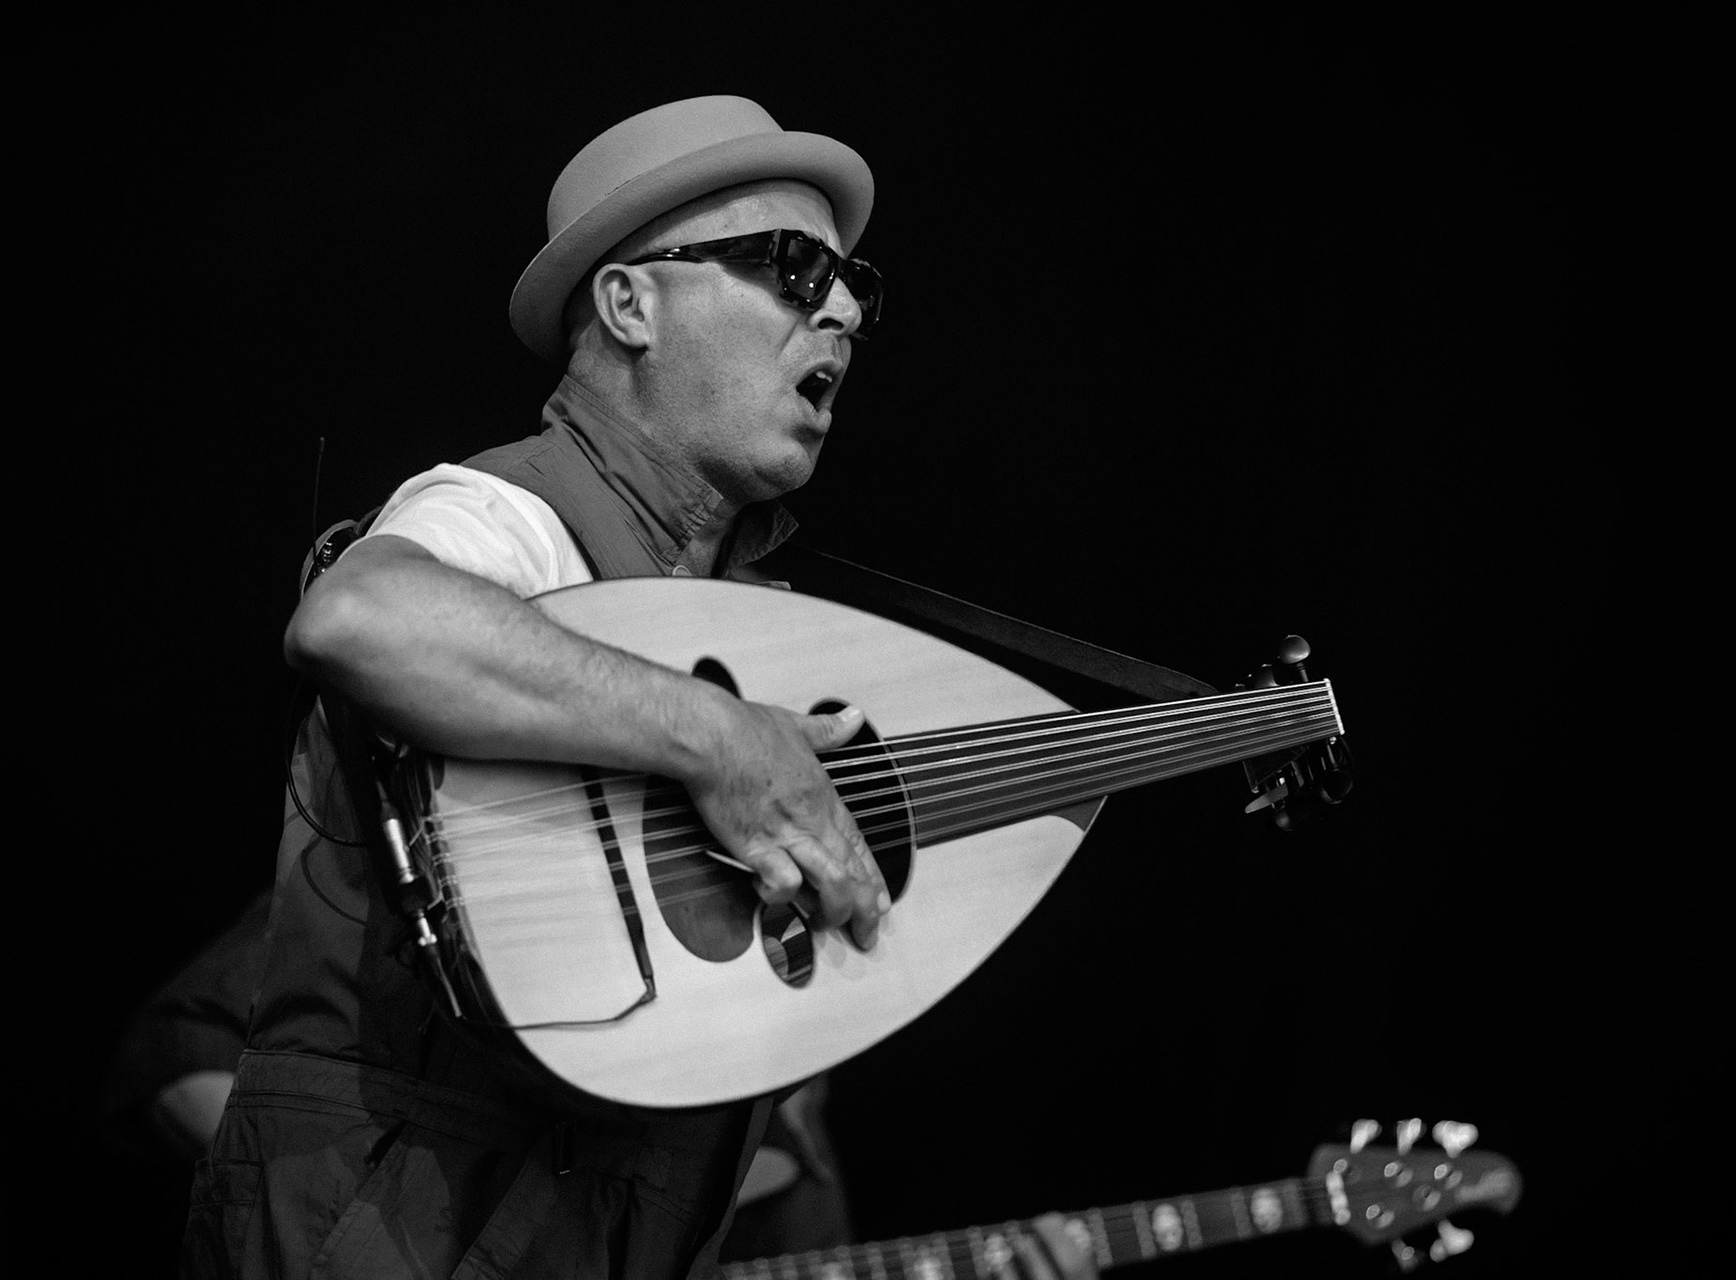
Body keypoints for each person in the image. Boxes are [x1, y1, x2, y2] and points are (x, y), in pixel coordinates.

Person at [184, 95, 1094, 1279]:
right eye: (791, 266)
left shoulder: (742, 616)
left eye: (855, 280)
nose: (846, 308)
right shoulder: (502, 514)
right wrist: (720, 737)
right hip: (378, 1231)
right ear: (629, 303)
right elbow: (360, 616)